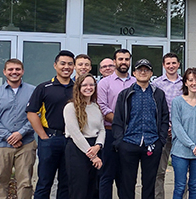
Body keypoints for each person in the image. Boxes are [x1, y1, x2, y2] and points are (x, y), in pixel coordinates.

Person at [113, 59, 171, 199]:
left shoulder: (158, 94)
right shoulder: (125, 94)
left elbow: (164, 118)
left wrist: (161, 140)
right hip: (129, 143)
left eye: (146, 70)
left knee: (149, 182)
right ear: (134, 73)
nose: (143, 72)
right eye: (140, 69)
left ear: (151, 73)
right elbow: (118, 120)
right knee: (127, 182)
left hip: (152, 143)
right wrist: (120, 142)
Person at [26, 50, 75, 199]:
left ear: (73, 67)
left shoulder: (78, 88)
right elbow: (31, 112)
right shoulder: (44, 87)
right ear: (55, 65)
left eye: (70, 64)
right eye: (63, 63)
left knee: (66, 183)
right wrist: (43, 136)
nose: (66, 67)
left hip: (72, 140)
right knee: (45, 181)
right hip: (50, 139)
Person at [0, 58, 36, 199]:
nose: (14, 72)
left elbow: (36, 115)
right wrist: (9, 136)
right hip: (1, 146)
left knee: (25, 183)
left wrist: (21, 133)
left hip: (25, 145)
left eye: (17, 69)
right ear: (5, 72)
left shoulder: (33, 91)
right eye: (11, 69)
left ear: (23, 71)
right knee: (0, 182)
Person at [96, 49, 134, 199]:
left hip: (131, 135)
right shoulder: (104, 83)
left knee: (126, 176)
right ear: (115, 62)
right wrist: (121, 122)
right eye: (120, 59)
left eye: (126, 59)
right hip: (110, 132)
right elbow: (102, 107)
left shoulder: (135, 82)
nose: (123, 62)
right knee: (107, 174)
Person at [63, 74, 105, 199]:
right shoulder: (70, 108)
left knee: (93, 190)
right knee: (79, 190)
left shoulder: (96, 106)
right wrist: (93, 156)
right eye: (85, 85)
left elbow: (102, 129)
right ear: (78, 87)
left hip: (95, 148)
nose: (89, 87)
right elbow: (76, 134)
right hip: (77, 150)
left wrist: (98, 145)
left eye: (91, 84)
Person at [171, 68, 196, 199]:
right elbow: (177, 127)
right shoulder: (177, 102)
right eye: (190, 80)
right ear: (185, 83)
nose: (194, 83)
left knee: (194, 185)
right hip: (180, 152)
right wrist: (192, 145)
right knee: (180, 186)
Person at [153, 53, 184, 199]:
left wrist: (177, 127)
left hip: (182, 133)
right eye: (168, 63)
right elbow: (155, 109)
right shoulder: (156, 84)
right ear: (164, 65)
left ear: (178, 64)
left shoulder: (185, 83)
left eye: (174, 63)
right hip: (162, 132)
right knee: (159, 171)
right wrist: (166, 127)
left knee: (181, 171)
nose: (171, 66)